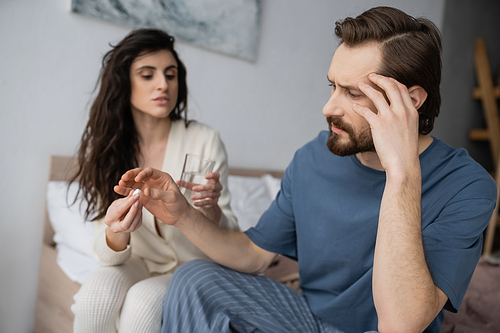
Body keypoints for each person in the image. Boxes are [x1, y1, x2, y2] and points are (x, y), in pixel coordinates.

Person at [116, 6, 496, 333]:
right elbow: (254, 254)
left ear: (409, 102)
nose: (328, 107)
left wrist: (401, 174)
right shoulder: (314, 157)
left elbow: (401, 324)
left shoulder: (467, 185)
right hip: (306, 320)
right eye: (332, 86)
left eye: (353, 93)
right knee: (194, 278)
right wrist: (182, 214)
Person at [69, 28, 238, 333]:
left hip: (195, 266)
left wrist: (211, 207)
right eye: (148, 75)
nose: (163, 84)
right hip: (136, 261)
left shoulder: (203, 140)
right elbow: (106, 253)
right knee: (93, 300)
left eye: (170, 75)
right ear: (124, 82)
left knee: (142, 304)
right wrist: (118, 231)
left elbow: (228, 234)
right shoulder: (108, 147)